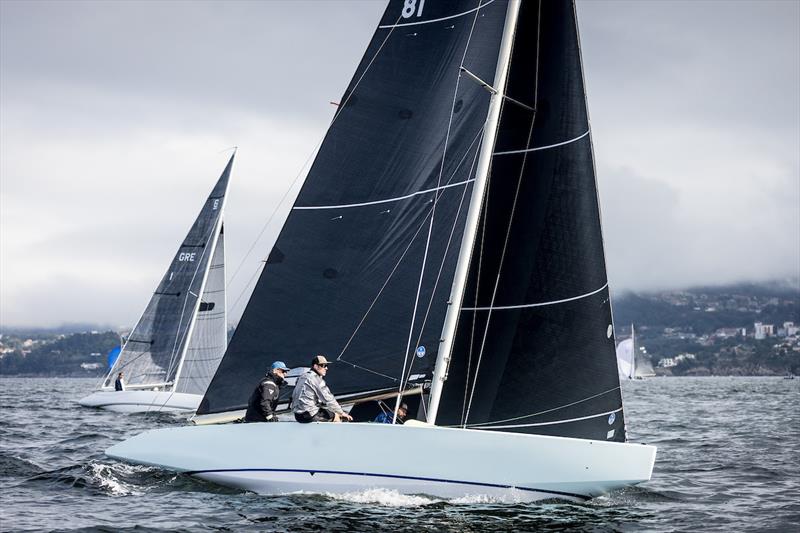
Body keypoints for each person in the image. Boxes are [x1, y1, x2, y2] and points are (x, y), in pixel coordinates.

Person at [292, 355, 352, 423]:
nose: (326, 368)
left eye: (327, 366)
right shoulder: (316, 379)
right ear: (315, 366)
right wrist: (342, 413)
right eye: (324, 366)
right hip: (309, 415)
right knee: (336, 416)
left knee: (327, 411)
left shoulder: (302, 377)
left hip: (297, 415)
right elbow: (328, 399)